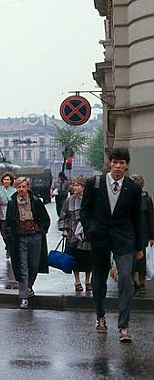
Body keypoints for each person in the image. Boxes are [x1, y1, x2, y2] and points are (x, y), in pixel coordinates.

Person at [81, 147, 145, 343]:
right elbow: (85, 210)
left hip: (124, 238)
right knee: (98, 278)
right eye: (115, 162)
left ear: (126, 165)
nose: (118, 166)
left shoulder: (133, 188)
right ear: (109, 163)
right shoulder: (95, 183)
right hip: (100, 237)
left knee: (125, 277)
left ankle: (123, 326)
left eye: (122, 163)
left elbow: (137, 218)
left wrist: (139, 246)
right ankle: (100, 316)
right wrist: (89, 229)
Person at [5, 176, 50, 309]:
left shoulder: (35, 200)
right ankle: (23, 296)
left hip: (35, 236)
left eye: (24, 187)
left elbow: (45, 218)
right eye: (19, 187)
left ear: (28, 187)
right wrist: (10, 236)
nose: (21, 189)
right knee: (22, 266)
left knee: (34, 265)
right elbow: (8, 222)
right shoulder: (12, 202)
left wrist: (41, 230)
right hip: (20, 238)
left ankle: (29, 286)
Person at [58, 175, 92, 293]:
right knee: (75, 258)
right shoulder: (70, 200)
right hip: (73, 234)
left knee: (89, 258)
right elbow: (63, 215)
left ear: (83, 187)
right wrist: (64, 229)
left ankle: (88, 281)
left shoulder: (90, 199)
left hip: (87, 234)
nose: (74, 187)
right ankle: (77, 281)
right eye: (73, 185)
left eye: (77, 185)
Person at [129, 174, 154, 295]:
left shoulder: (146, 199)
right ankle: (133, 281)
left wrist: (151, 236)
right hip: (129, 234)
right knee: (130, 260)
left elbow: (151, 218)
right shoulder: (126, 198)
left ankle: (142, 283)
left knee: (142, 261)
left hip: (143, 234)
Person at [0, 172, 16, 248]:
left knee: (10, 232)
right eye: (5, 179)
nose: (6, 181)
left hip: (11, 213)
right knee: (3, 233)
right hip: (2, 213)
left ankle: (10, 247)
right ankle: (7, 245)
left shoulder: (14, 190)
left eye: (8, 179)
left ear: (11, 181)